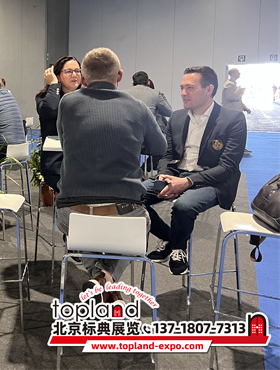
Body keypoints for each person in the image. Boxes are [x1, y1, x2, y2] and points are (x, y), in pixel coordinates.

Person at [55, 48, 166, 303]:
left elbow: (64, 140)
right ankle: (107, 279)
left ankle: (100, 279)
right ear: (120, 76)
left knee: (84, 232)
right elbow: (159, 147)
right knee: (142, 224)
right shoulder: (137, 108)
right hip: (126, 217)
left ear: (84, 78)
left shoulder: (67, 103)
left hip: (74, 216)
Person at [143, 66, 247, 275]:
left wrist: (187, 182)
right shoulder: (177, 117)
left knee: (184, 205)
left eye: (190, 88)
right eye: (182, 88)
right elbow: (167, 154)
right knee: (132, 195)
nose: (183, 93)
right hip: (176, 174)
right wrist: (163, 175)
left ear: (209, 89)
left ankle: (178, 249)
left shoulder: (233, 119)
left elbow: (227, 167)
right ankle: (170, 238)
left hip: (214, 181)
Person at [35, 56, 82, 192]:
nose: (74, 75)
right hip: (56, 165)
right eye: (68, 72)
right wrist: (54, 86)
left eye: (77, 71)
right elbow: (51, 110)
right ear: (58, 76)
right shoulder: (45, 98)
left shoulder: (86, 98)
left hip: (82, 163)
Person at [221, 68, 252, 153]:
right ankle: (238, 148)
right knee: (235, 130)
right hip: (231, 112)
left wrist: (245, 107)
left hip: (235, 111)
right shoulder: (229, 84)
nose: (239, 74)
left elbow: (238, 100)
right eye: (238, 73)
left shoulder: (233, 84)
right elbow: (230, 97)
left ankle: (240, 147)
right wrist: (239, 94)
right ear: (233, 73)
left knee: (237, 130)